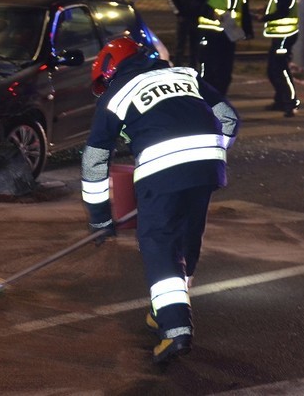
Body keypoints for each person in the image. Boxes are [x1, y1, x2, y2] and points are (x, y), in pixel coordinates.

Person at [81, 36, 239, 364]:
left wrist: (100, 219)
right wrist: (209, 154)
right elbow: (229, 118)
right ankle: (161, 310)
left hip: (161, 169)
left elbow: (94, 161)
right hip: (207, 165)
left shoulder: (115, 96)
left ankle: (175, 330)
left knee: (160, 243)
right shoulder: (186, 75)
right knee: (186, 236)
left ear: (110, 71)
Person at [194, 0, 253, 96]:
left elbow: (244, 7)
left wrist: (247, 31)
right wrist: (211, 13)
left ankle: (220, 102)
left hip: (229, 34)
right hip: (210, 32)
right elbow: (196, 3)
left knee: (225, 72)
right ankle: (206, 103)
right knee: (208, 70)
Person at [255, 0, 301, 117]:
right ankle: (280, 101)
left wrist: (264, 18)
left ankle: (290, 103)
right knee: (273, 70)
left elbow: (282, 11)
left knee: (280, 70)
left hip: (284, 36)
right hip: (282, 36)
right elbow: (280, 6)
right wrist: (265, 9)